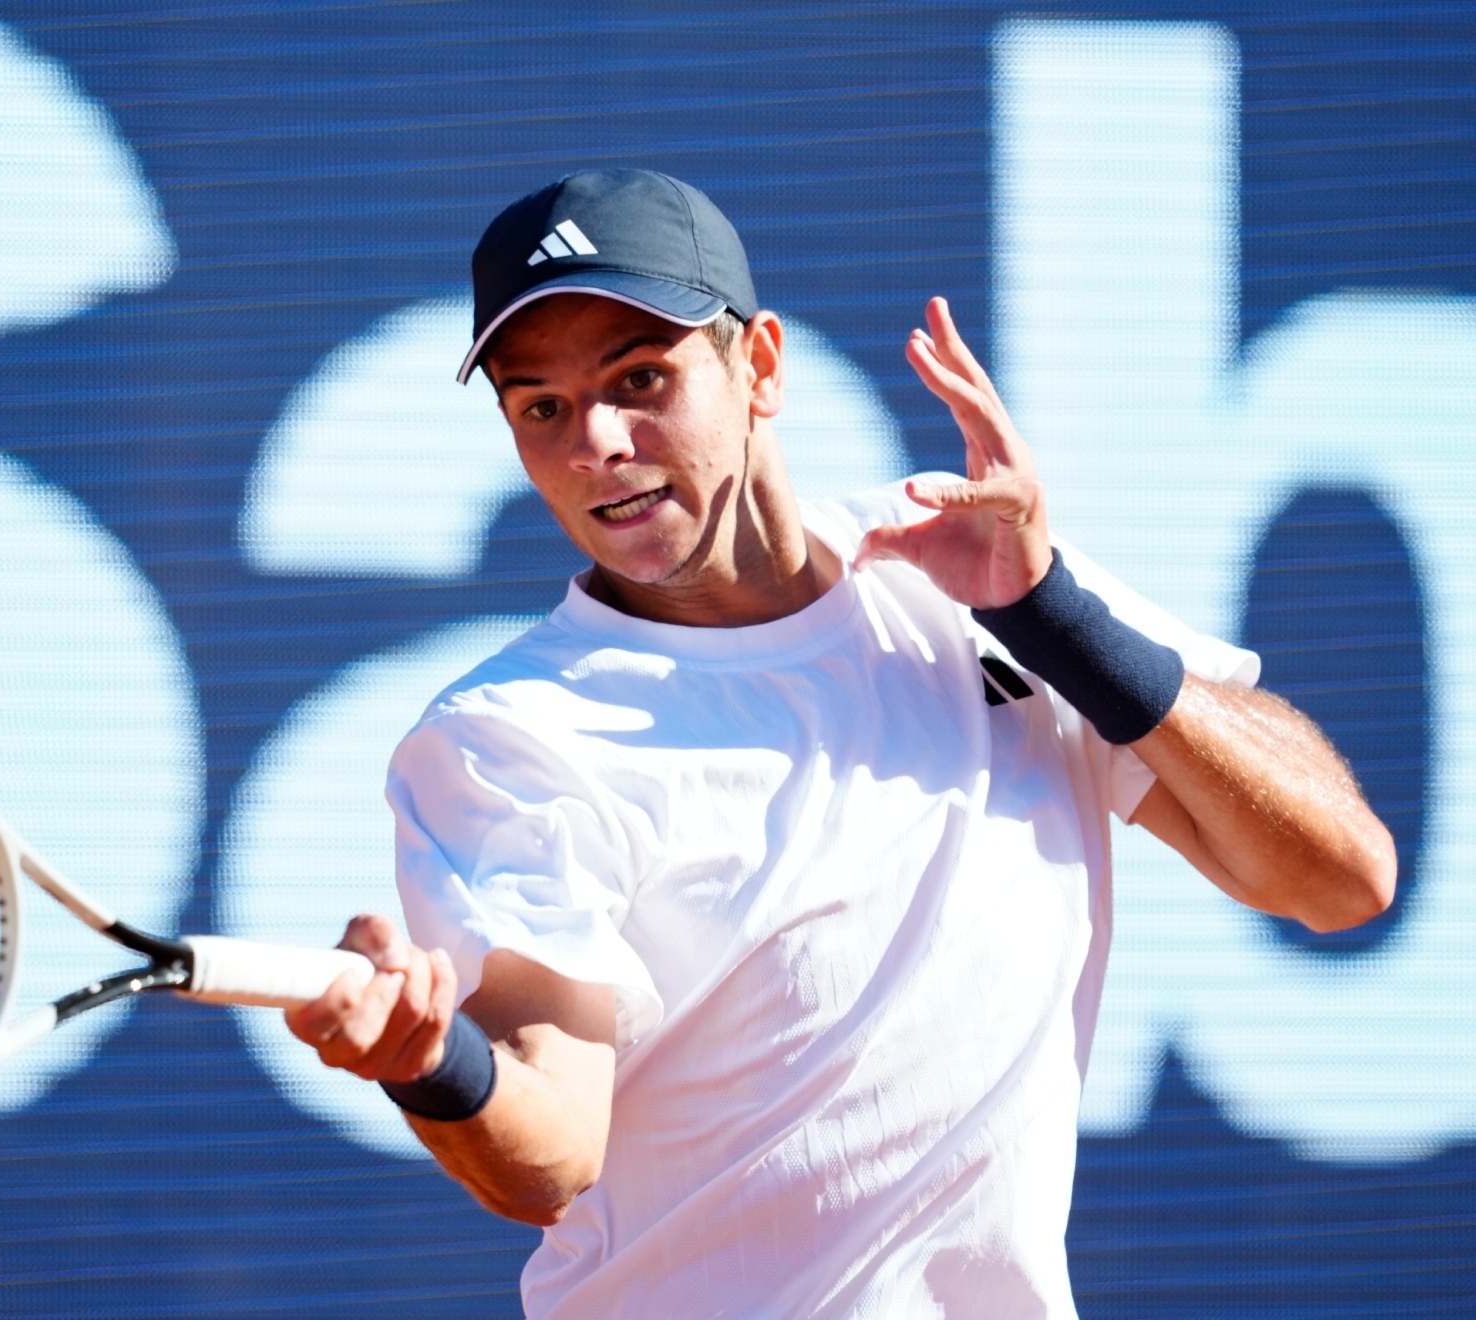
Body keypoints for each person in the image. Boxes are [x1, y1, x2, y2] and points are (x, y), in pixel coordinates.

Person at [283, 168, 1395, 1317]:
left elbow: (1340, 876)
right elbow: (551, 1148)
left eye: (641, 378)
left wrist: (1051, 612)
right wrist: (434, 1066)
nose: (596, 444)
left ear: (760, 366)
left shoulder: (972, 577)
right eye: (540, 407)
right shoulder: (509, 738)